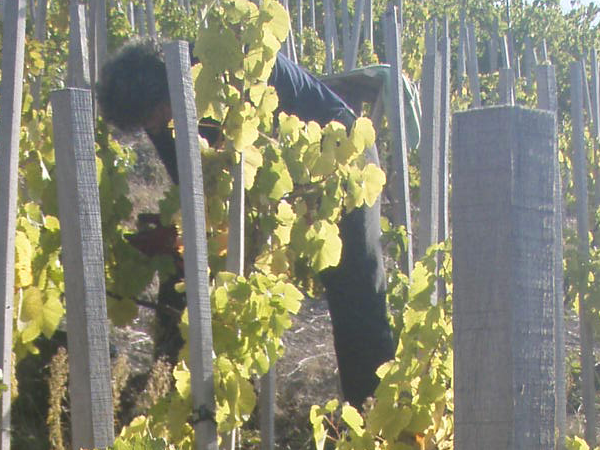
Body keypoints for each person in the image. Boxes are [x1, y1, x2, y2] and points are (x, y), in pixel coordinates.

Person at [96, 42, 396, 409]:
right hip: (277, 185)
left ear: (166, 88)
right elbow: (194, 196)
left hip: (339, 161)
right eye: (147, 125)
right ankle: (182, 397)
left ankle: (376, 420)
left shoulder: (228, 72)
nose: (156, 128)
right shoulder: (160, 112)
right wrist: (173, 236)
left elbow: (263, 158)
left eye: (155, 116)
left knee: (355, 291)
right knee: (185, 270)